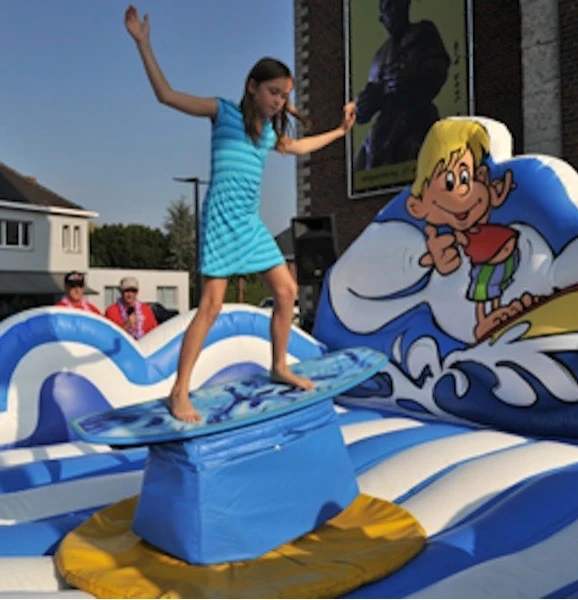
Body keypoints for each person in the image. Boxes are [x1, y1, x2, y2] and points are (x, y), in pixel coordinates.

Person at [124, 5, 356, 422]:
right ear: (252, 87)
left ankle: (279, 365)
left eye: (284, 96)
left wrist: (340, 132)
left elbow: (300, 147)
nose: (279, 102)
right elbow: (167, 95)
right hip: (220, 220)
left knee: (286, 291)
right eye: (273, 92)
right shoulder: (223, 112)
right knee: (210, 307)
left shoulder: (269, 135)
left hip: (249, 223)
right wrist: (143, 44)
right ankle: (179, 391)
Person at [405, 119, 536, 341]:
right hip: (484, 262)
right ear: (417, 206)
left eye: (466, 177)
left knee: (495, 288)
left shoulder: (491, 202)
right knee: (481, 291)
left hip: (504, 258)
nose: (465, 192)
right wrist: (434, 257)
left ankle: (496, 312)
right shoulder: (451, 234)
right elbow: (436, 259)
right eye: (450, 182)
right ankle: (484, 320)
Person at [352, 0, 450, 171]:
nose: (393, 11)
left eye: (395, 4)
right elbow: (368, 101)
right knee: (362, 164)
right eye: (387, 8)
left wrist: (413, 78)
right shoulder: (380, 56)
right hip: (385, 129)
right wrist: (364, 105)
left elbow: (439, 68)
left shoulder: (424, 32)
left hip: (418, 116)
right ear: (382, 19)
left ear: (406, 5)